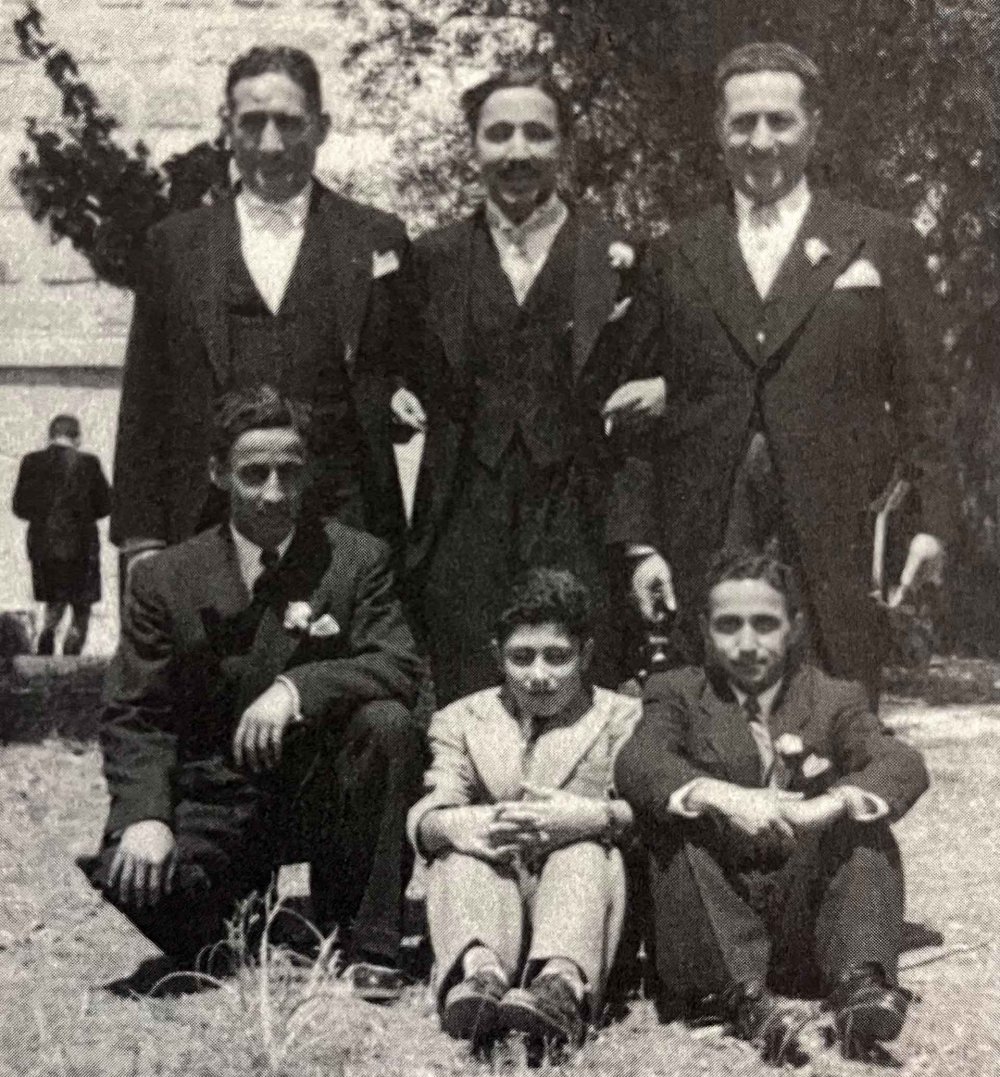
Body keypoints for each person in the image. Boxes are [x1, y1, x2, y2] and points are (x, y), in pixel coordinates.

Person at [609, 41, 955, 698]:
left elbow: (924, 400)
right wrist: (640, 544)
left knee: (838, 720)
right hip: (708, 527)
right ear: (719, 129)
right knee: (704, 722)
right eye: (742, 123)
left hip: (837, 533)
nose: (760, 141)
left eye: (779, 121)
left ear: (813, 127)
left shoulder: (879, 240)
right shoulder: (675, 250)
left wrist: (933, 522)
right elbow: (637, 417)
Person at [84, 386, 424, 1002]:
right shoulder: (166, 578)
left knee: (388, 722)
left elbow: (400, 664)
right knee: (154, 897)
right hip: (218, 792)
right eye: (254, 473)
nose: (274, 492)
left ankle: (369, 936)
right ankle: (229, 911)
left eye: (290, 473)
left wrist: (297, 687)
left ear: (307, 474)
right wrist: (145, 816)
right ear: (218, 474)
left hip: (318, 791)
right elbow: (137, 711)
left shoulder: (353, 558)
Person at [393, 58, 661, 704]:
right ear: (474, 145)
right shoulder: (431, 258)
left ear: (565, 145)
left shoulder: (619, 254)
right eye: (499, 133)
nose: (518, 152)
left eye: (537, 134)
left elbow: (660, 385)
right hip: (464, 513)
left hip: (578, 511)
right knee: (467, 697)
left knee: (580, 694)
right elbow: (391, 369)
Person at [615, 550, 928, 1063]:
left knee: (864, 818)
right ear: (703, 628)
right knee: (678, 822)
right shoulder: (676, 691)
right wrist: (723, 795)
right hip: (714, 906)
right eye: (729, 626)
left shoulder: (834, 697)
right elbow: (640, 761)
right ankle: (738, 999)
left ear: (794, 627)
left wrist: (829, 803)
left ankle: (860, 983)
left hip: (805, 916)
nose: (746, 643)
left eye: (764, 625)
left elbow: (898, 761)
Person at [112, 45, 413, 573]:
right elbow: (145, 398)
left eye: (290, 123)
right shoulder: (175, 245)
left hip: (343, 528)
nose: (271, 145)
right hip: (206, 526)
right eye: (252, 123)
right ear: (226, 127)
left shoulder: (375, 237)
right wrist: (141, 540)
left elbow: (403, 373)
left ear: (321, 127)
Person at [408, 568, 640, 1055]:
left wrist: (591, 818)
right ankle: (480, 978)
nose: (539, 676)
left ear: (587, 655)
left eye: (558, 658)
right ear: (497, 656)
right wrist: (456, 823)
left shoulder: (620, 717)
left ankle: (559, 987)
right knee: (459, 855)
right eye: (521, 657)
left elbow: (647, 813)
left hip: (580, 898)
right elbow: (430, 812)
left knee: (583, 852)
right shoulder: (461, 719)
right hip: (494, 896)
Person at [12, 414, 111, 656]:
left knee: (54, 601)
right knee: (81, 607)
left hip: (44, 546)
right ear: (77, 437)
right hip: (83, 545)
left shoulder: (31, 462)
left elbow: (20, 506)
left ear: (50, 435)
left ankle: (47, 635)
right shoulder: (89, 463)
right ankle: (71, 655)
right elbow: (106, 504)